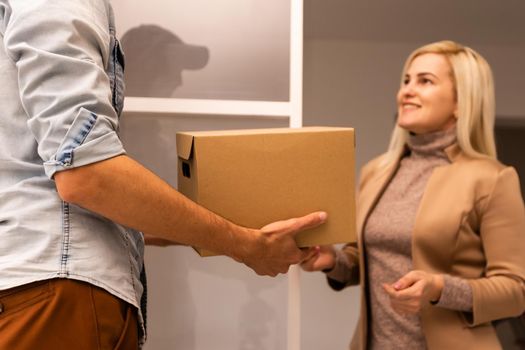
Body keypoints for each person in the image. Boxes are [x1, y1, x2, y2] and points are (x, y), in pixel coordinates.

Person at [0, 1, 325, 349]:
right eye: (172, 66)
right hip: (56, 294)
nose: (180, 79)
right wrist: (246, 245)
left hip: (39, 288)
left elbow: (98, 196)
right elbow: (87, 174)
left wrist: (252, 234)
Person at [301, 40, 525, 349]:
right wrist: (332, 261)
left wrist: (438, 287)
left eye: (425, 81)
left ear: (461, 102)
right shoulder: (375, 171)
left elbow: (515, 292)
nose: (406, 90)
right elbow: (365, 258)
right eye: (406, 80)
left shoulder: (493, 178)